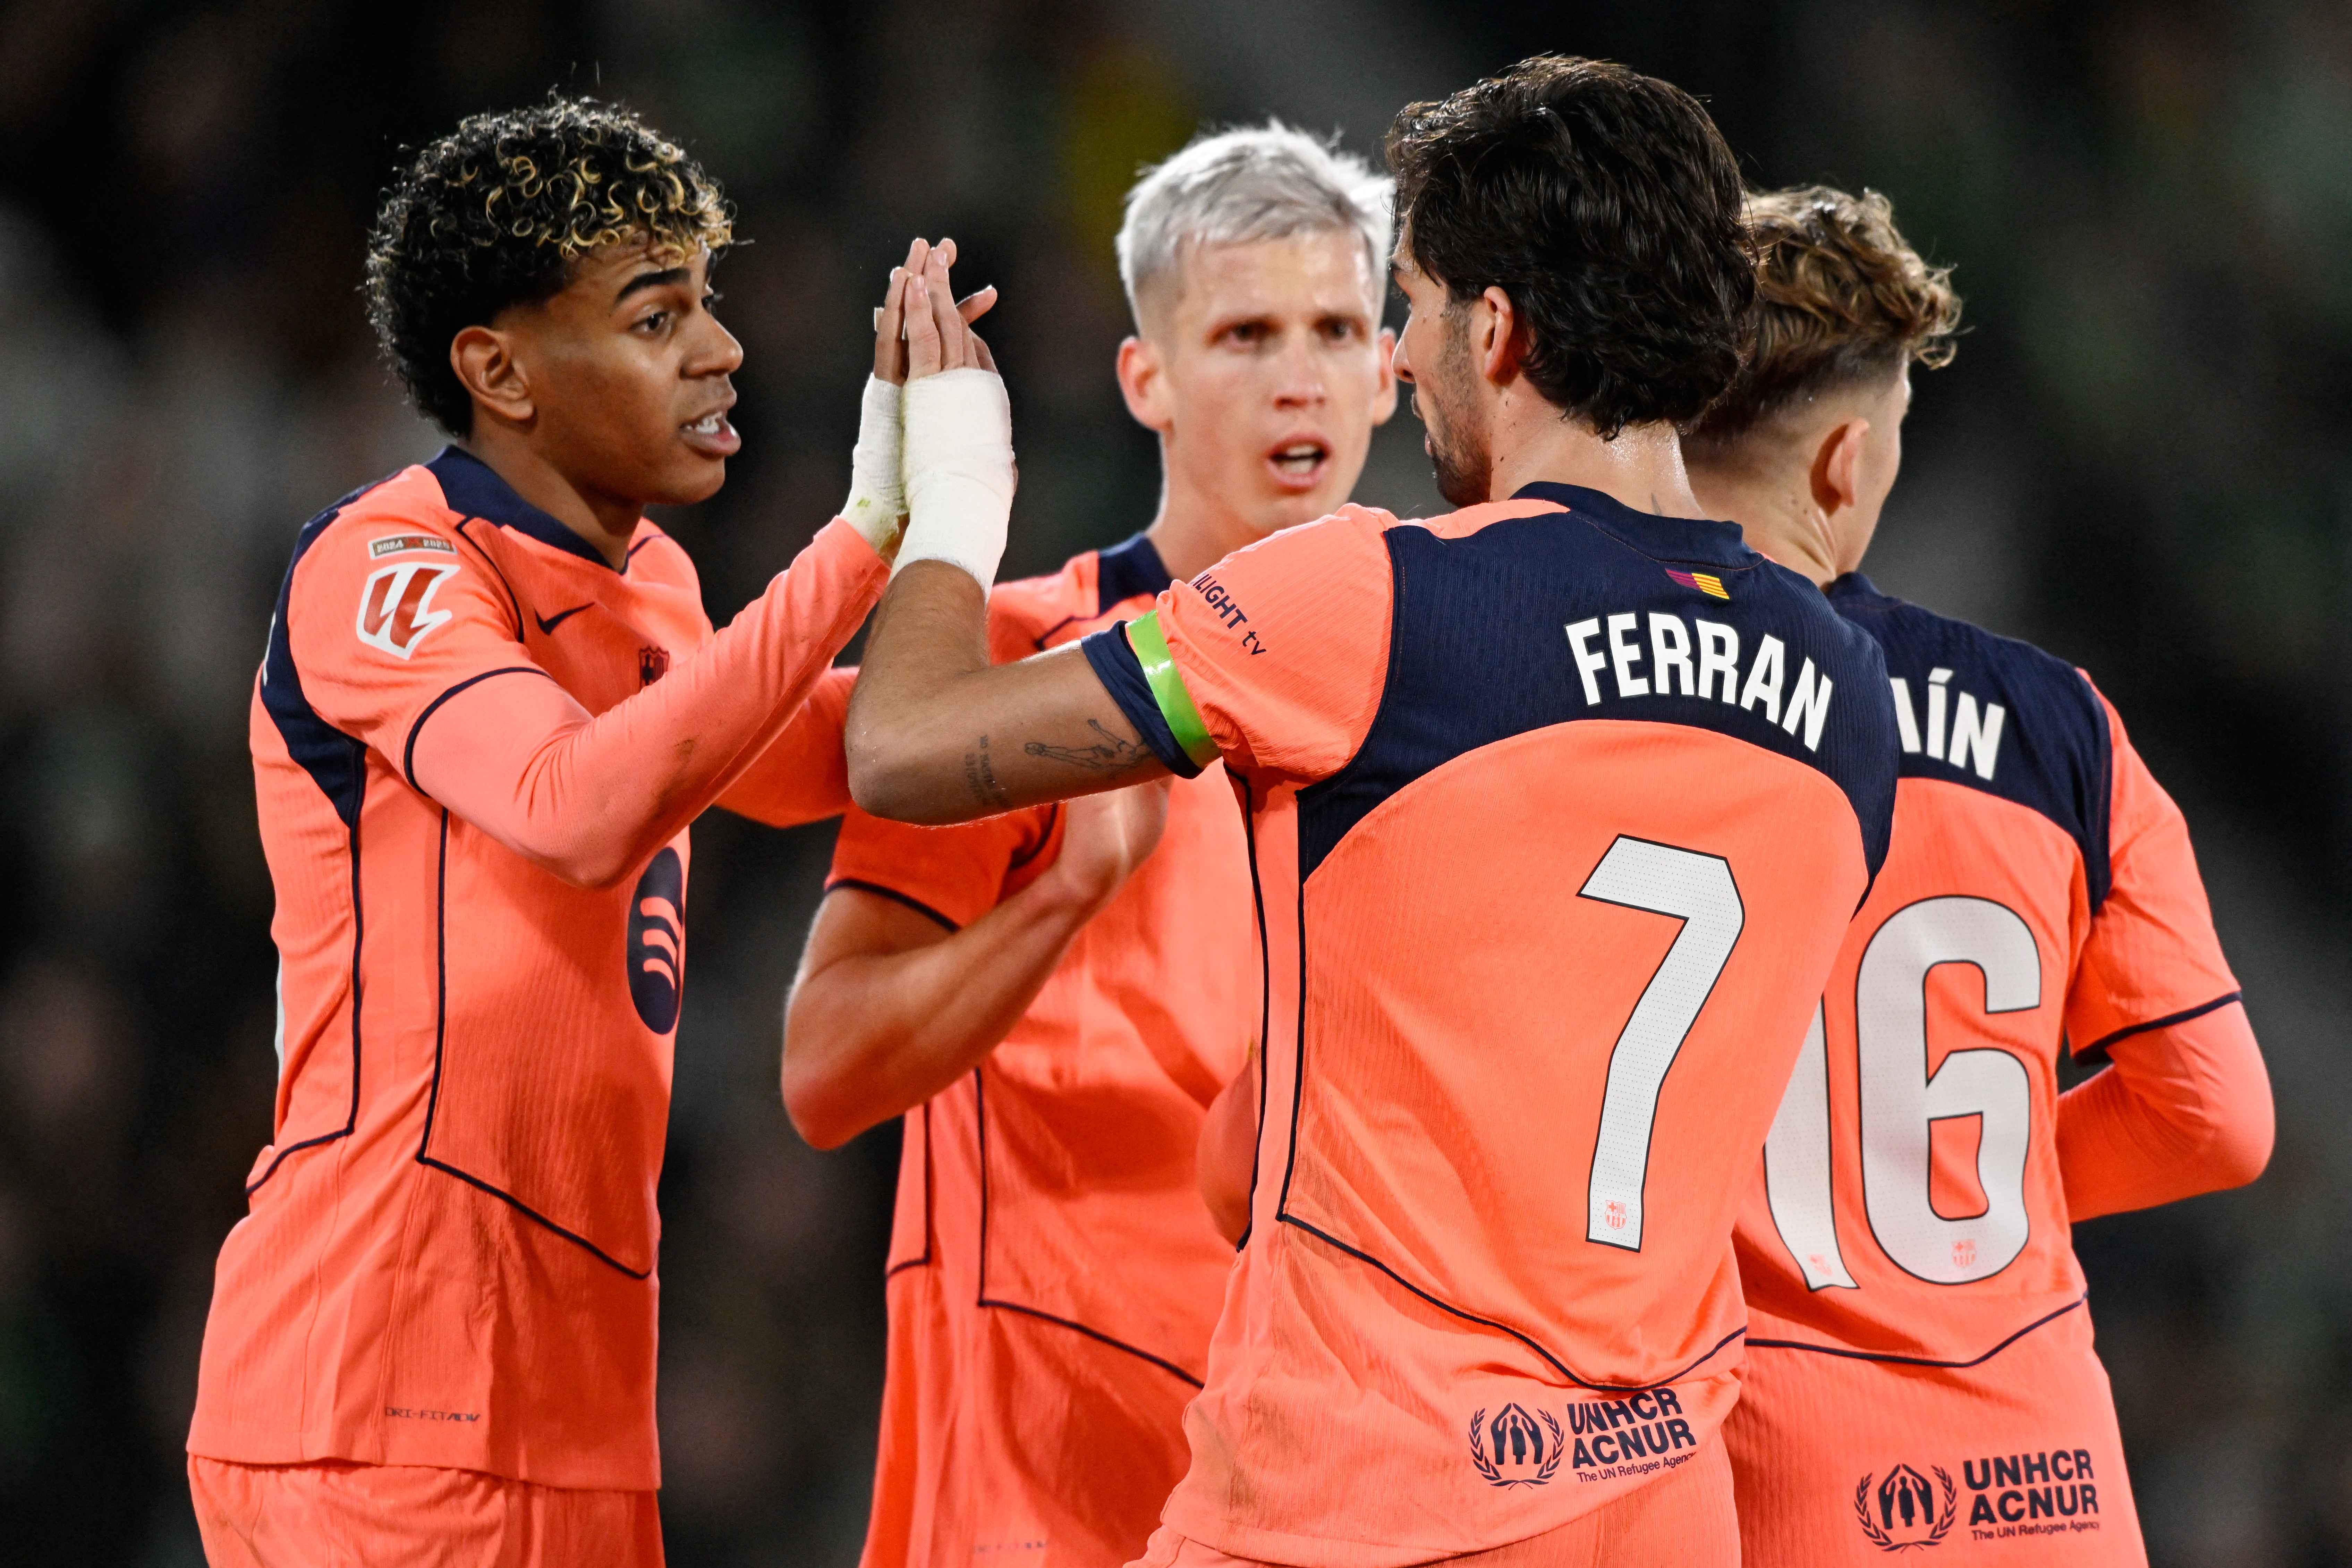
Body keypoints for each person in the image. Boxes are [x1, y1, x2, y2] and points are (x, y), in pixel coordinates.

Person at [844, 56, 1903, 1568]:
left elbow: (902, 748)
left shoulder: (1374, 601)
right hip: (1663, 1509)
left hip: (1364, 1493)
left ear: (1497, 327)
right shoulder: (1848, 697)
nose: (1395, 361)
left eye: (1402, 306)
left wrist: (947, 482)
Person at [182, 97, 979, 1567]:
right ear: (499, 368)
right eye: (656, 314)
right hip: (375, 1394)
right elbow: (579, 806)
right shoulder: (390, 562)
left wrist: (1133, 662)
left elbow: (828, 749)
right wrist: (870, 523)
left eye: (709, 304)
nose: (721, 349)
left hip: (577, 1411)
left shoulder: (656, 583)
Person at [782, 124, 1396, 1568]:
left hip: (1349, 1476)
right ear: (1149, 379)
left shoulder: (1456, 678)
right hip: (1046, 1499)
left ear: (1393, 371)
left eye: (1335, 329)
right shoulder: (1003, 673)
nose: (1297, 375)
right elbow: (825, 1069)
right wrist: (1063, 896)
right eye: (1245, 332)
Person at [1681, 184, 2272, 1566]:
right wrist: (1968, 1177)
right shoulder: (2057, 716)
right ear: (1845, 459)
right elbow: (2221, 1119)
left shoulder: (1599, 700)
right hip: (2051, 1480)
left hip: (1779, 1475)